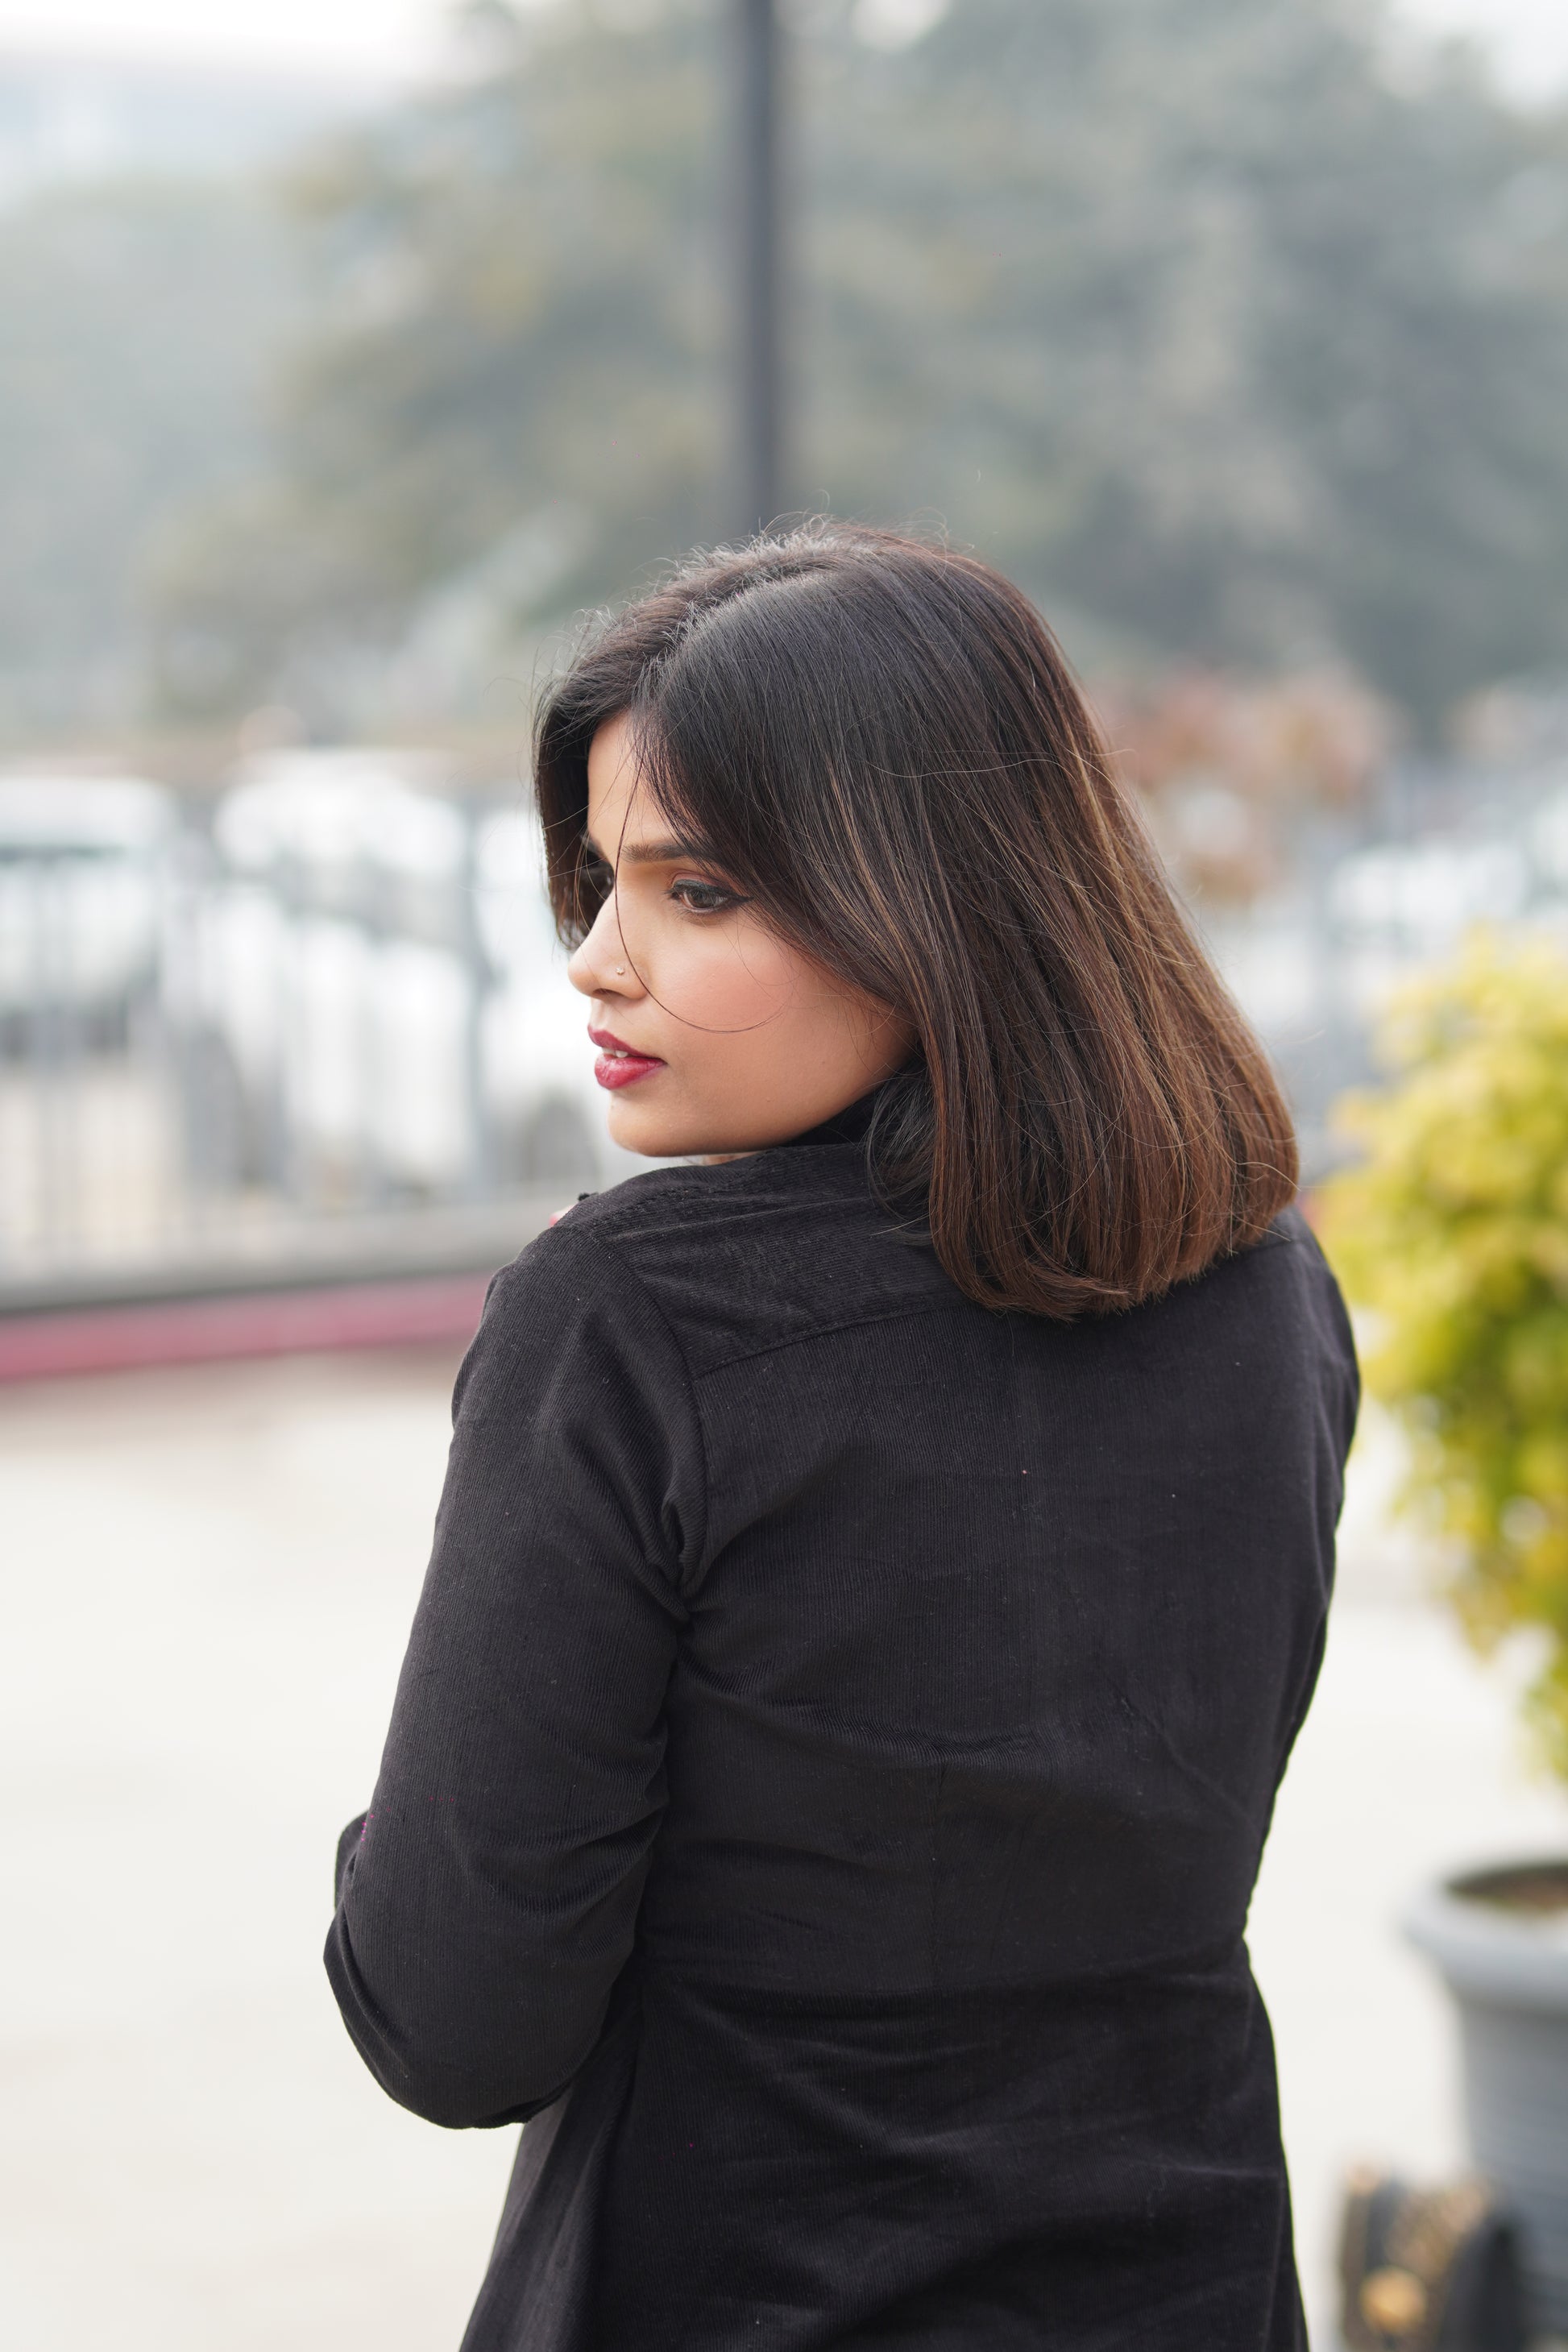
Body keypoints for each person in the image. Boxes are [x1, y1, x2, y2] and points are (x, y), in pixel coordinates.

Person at [325, 522, 1358, 2351]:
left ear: (931, 897)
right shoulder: (1261, 1272)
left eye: (702, 890)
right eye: (603, 883)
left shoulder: (635, 1322)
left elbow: (452, 2016)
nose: (598, 962)